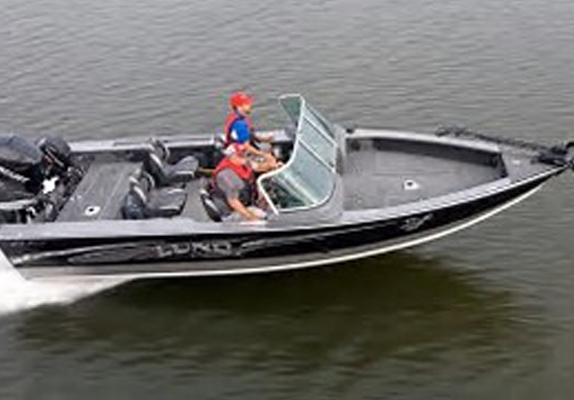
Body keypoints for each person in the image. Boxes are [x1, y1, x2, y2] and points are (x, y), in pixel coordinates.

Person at [212, 143, 268, 222]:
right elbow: (234, 202)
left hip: (248, 203)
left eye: (246, 154)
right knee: (265, 216)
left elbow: (258, 167)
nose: (246, 157)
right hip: (232, 212)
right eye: (241, 155)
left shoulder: (242, 163)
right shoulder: (227, 175)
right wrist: (252, 218)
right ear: (232, 157)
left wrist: (275, 166)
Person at [224, 92, 278, 171]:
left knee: (269, 150)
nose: (250, 106)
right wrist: (264, 155)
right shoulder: (239, 125)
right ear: (239, 107)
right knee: (271, 162)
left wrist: (265, 139)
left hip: (241, 149)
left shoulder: (240, 118)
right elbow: (247, 147)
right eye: (246, 104)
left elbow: (250, 135)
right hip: (238, 155)